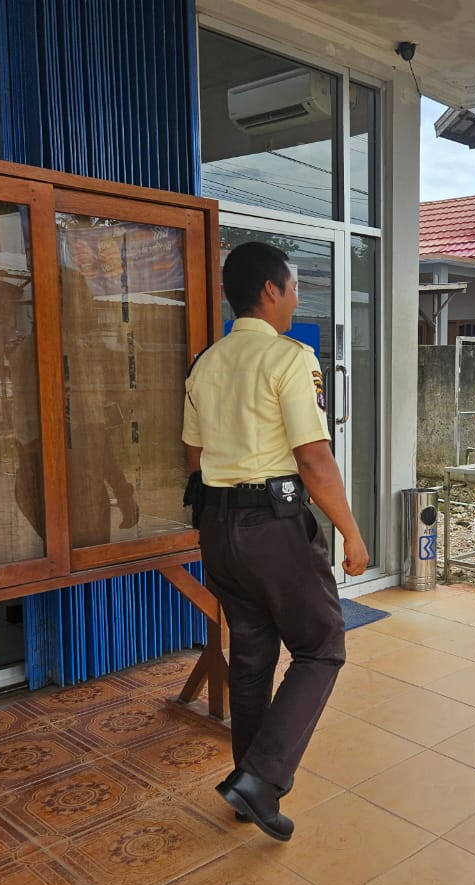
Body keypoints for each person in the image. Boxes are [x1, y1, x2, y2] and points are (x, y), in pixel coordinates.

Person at [183, 241, 368, 842]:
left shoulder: (205, 364)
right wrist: (351, 532)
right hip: (274, 528)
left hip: (217, 527)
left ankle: (246, 789)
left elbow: (194, 452)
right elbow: (312, 455)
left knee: (254, 657)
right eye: (293, 287)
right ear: (270, 290)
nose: (296, 299)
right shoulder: (291, 359)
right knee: (321, 647)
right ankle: (262, 780)